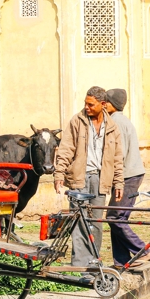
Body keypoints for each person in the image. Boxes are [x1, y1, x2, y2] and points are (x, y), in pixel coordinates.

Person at [53, 86, 124, 278]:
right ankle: (78, 266)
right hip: (80, 178)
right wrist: (59, 174)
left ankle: (93, 264)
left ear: (102, 104)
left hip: (101, 180)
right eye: (85, 103)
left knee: (96, 223)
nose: (86, 107)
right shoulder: (77, 121)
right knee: (79, 221)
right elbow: (66, 148)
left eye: (90, 104)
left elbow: (117, 157)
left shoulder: (112, 127)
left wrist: (119, 182)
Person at [103, 89, 150, 267]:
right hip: (129, 174)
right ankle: (121, 261)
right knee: (117, 218)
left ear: (110, 104)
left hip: (127, 176)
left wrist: (115, 179)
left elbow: (118, 155)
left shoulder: (116, 123)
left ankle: (143, 250)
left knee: (114, 218)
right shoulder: (119, 120)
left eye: (105, 102)